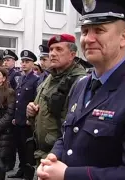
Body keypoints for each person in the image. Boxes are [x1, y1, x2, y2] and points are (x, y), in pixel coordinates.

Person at [36, 0, 125, 180]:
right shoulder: (81, 84)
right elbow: (69, 134)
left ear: (124, 37)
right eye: (85, 31)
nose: (88, 39)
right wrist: (53, 158)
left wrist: (68, 175)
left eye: (99, 30)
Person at [26, 34, 86, 164]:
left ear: (72, 55)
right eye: (51, 49)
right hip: (43, 152)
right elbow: (41, 109)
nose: (52, 54)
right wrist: (31, 111)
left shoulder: (80, 81)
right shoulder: (50, 77)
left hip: (61, 156)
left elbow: (77, 124)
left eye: (58, 49)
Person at [8, 50, 39, 180]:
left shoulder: (36, 80)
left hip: (27, 122)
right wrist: (15, 117)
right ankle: (20, 170)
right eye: (23, 61)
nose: (24, 64)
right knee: (20, 148)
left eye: (27, 62)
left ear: (33, 64)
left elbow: (36, 101)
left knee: (28, 150)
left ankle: (28, 174)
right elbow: (17, 99)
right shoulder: (20, 78)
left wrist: (30, 119)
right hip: (18, 119)